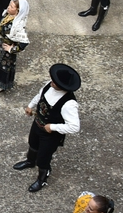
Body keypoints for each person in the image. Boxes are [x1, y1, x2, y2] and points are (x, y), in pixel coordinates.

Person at [12, 64, 81, 192]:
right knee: (33, 143)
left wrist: (53, 127)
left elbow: (74, 127)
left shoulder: (69, 104)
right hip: (37, 123)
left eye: (55, 81)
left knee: (44, 157)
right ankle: (30, 161)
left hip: (50, 135)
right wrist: (30, 106)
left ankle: (42, 179)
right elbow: (40, 95)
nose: (51, 82)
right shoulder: (49, 85)